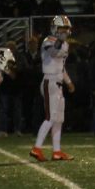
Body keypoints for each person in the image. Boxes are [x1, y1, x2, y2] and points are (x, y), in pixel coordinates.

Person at [30, 15, 75, 162]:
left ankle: (57, 151)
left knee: (59, 119)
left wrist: (68, 82)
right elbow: (54, 52)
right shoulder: (48, 41)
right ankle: (36, 148)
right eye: (62, 28)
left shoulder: (65, 44)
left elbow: (61, 66)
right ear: (55, 28)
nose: (64, 31)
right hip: (49, 81)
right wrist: (60, 40)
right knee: (51, 117)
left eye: (66, 29)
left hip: (58, 82)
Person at [0, 41, 26, 137]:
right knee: (4, 110)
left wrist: (15, 71)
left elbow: (23, 68)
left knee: (17, 110)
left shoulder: (19, 57)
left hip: (16, 87)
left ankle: (17, 130)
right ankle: (2, 130)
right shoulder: (2, 57)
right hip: (5, 87)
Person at [22, 37, 43, 136]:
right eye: (31, 43)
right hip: (28, 85)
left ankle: (38, 127)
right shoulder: (25, 56)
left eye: (34, 43)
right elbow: (24, 69)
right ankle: (29, 126)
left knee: (40, 107)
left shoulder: (42, 55)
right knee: (29, 106)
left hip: (39, 84)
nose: (33, 45)